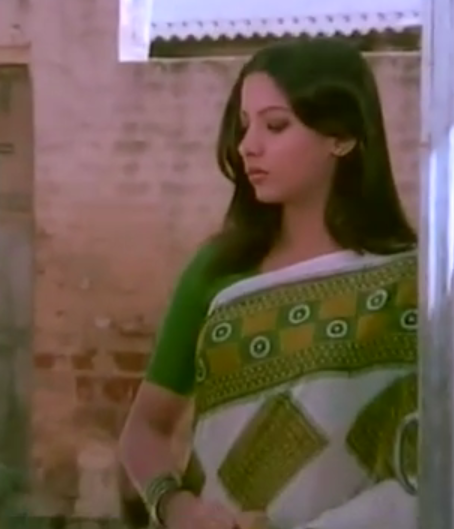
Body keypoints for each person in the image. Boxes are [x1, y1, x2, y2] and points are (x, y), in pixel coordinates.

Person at [118, 38, 419, 529]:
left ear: (341, 137)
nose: (248, 145)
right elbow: (145, 429)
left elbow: (430, 463)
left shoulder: (412, 284)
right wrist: (177, 508)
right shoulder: (217, 272)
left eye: (275, 125)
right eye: (245, 125)